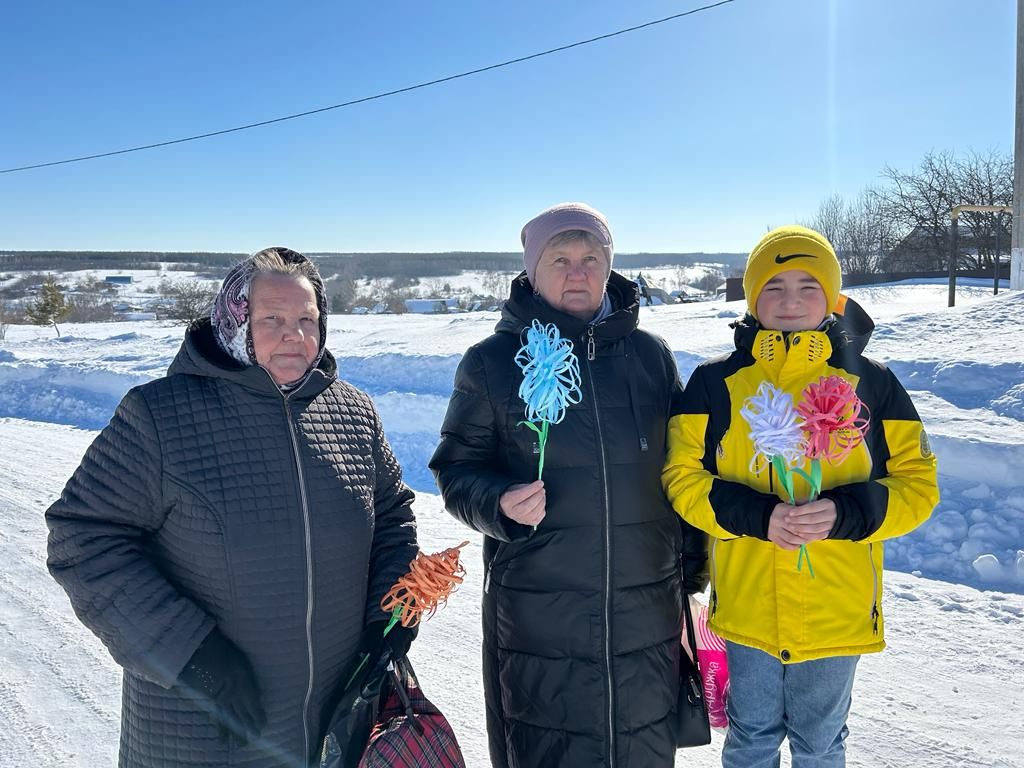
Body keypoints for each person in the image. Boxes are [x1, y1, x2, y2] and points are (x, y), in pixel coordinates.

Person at [45, 247, 418, 768]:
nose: (295, 335)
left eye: (307, 319)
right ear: (234, 320)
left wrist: (394, 603)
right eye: (273, 319)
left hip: (334, 721)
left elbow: (393, 514)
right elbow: (82, 539)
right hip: (205, 727)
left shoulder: (352, 412)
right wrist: (192, 657)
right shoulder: (159, 415)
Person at [429, 202, 708, 767]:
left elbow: (684, 469)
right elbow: (455, 469)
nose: (577, 272)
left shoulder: (650, 357)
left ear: (609, 266)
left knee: (642, 748)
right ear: (533, 270)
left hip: (646, 608)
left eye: (590, 258)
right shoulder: (492, 362)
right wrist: (499, 503)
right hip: (540, 613)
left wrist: (691, 575)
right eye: (560, 259)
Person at [662, 225, 939, 768]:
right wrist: (759, 517)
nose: (790, 301)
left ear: (832, 297)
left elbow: (918, 485)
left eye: (807, 286)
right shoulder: (715, 383)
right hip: (747, 606)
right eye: (774, 286)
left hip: (836, 609)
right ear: (752, 296)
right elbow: (680, 477)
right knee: (752, 738)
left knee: (820, 743)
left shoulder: (873, 384)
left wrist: (845, 513)